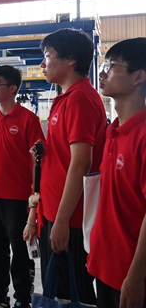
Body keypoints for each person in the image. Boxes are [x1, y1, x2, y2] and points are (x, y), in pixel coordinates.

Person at [30, 28, 106, 304]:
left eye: (48, 55)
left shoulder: (79, 99)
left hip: (70, 219)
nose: (43, 63)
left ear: (71, 59)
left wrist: (61, 221)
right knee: (61, 293)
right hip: (54, 211)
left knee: (73, 295)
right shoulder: (65, 99)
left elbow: (81, 163)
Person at [87, 38, 146, 308]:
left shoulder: (142, 136)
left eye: (110, 66)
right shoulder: (113, 131)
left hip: (131, 274)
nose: (102, 73)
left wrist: (136, 276)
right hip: (105, 265)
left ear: (138, 77)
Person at [0, 66, 45, 308]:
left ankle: (22, 299)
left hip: (18, 199)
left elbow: (37, 162)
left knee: (20, 252)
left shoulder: (29, 120)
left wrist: (34, 199)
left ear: (12, 88)